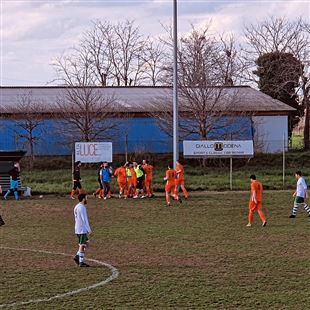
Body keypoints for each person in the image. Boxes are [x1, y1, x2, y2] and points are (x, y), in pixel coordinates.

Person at [73, 193, 92, 267]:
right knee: (82, 245)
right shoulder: (82, 207)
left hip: (78, 228)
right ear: (83, 199)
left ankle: (77, 256)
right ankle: (81, 262)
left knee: (86, 243)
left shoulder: (77, 206)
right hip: (81, 229)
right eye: (86, 198)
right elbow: (85, 220)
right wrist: (89, 230)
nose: (87, 199)